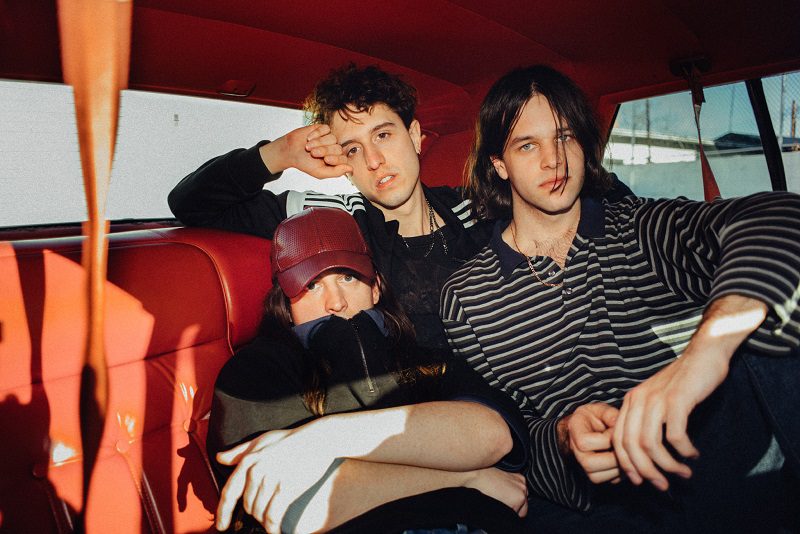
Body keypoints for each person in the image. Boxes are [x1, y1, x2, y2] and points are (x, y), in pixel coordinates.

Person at [440, 65, 800, 533]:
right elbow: (510, 435)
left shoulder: (640, 229)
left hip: (715, 465)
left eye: (565, 137)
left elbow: (780, 217)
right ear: (499, 164)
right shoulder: (466, 299)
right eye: (528, 145)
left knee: (767, 321)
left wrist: (705, 355)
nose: (554, 160)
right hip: (593, 505)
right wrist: (564, 437)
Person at [168, 63, 633, 351]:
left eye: (384, 135)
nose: (374, 161)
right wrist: (281, 154)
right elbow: (193, 204)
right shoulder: (332, 224)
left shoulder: (475, 206)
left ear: (414, 135)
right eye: (352, 149)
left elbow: (589, 193)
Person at [207, 207, 530, 534]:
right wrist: (466, 480)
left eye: (347, 277)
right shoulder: (257, 370)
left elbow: (493, 436)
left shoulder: (424, 360)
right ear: (286, 306)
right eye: (312, 285)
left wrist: (322, 439)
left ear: (375, 287)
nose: (336, 302)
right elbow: (295, 502)